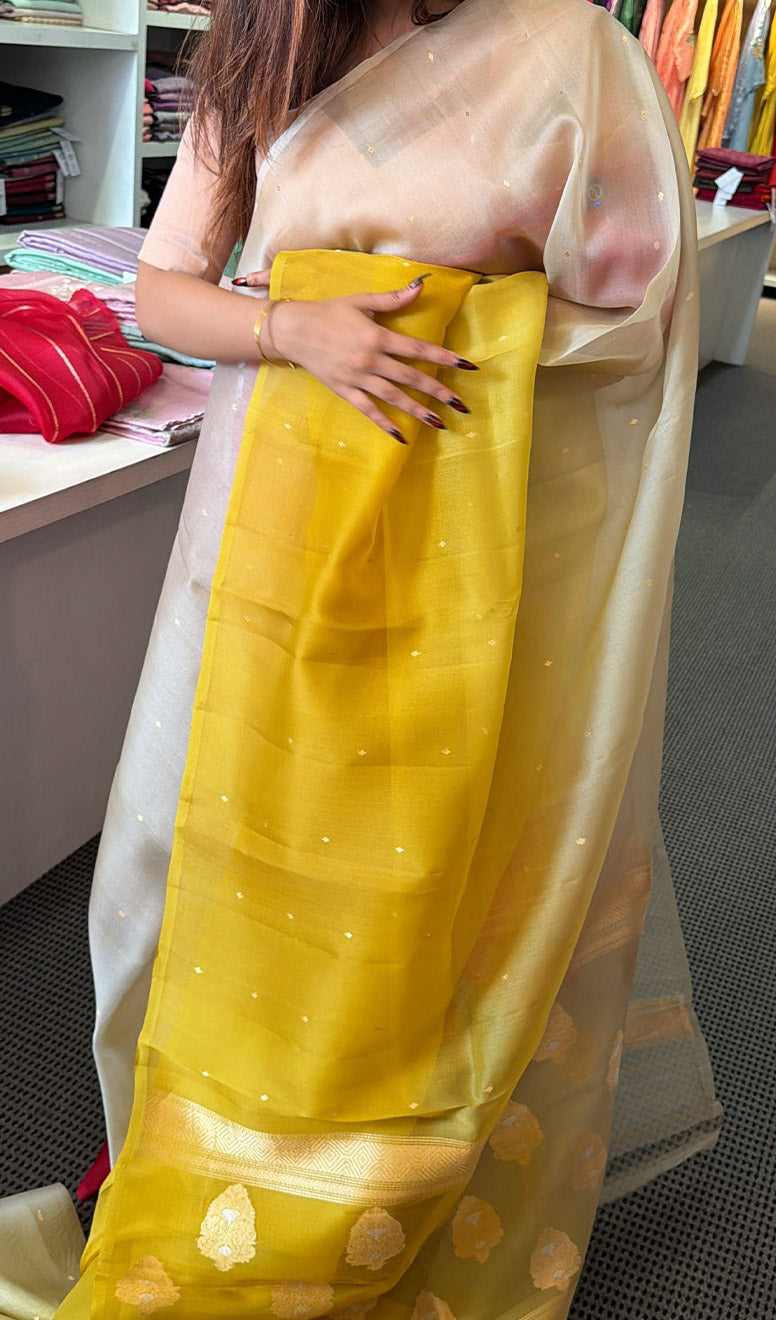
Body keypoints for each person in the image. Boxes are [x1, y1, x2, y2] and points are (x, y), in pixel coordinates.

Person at [0, 0, 722, 1315]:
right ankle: (198, 1156)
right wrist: (295, 328)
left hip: (483, 543)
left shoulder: (564, 50)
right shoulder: (264, 47)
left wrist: (473, 315)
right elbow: (164, 291)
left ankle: (399, 1184)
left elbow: (641, 302)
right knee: (176, 858)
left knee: (439, 866)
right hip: (269, 524)